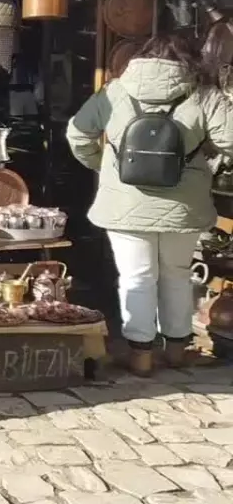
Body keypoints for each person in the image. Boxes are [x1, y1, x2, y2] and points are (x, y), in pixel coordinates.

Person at [68, 34, 233, 376]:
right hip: (184, 204)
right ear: (190, 60)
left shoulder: (115, 90)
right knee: (177, 274)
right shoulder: (204, 95)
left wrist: (104, 165)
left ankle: (140, 355)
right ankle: (176, 351)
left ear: (141, 59)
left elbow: (78, 133)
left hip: (125, 203)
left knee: (136, 277)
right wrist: (207, 161)